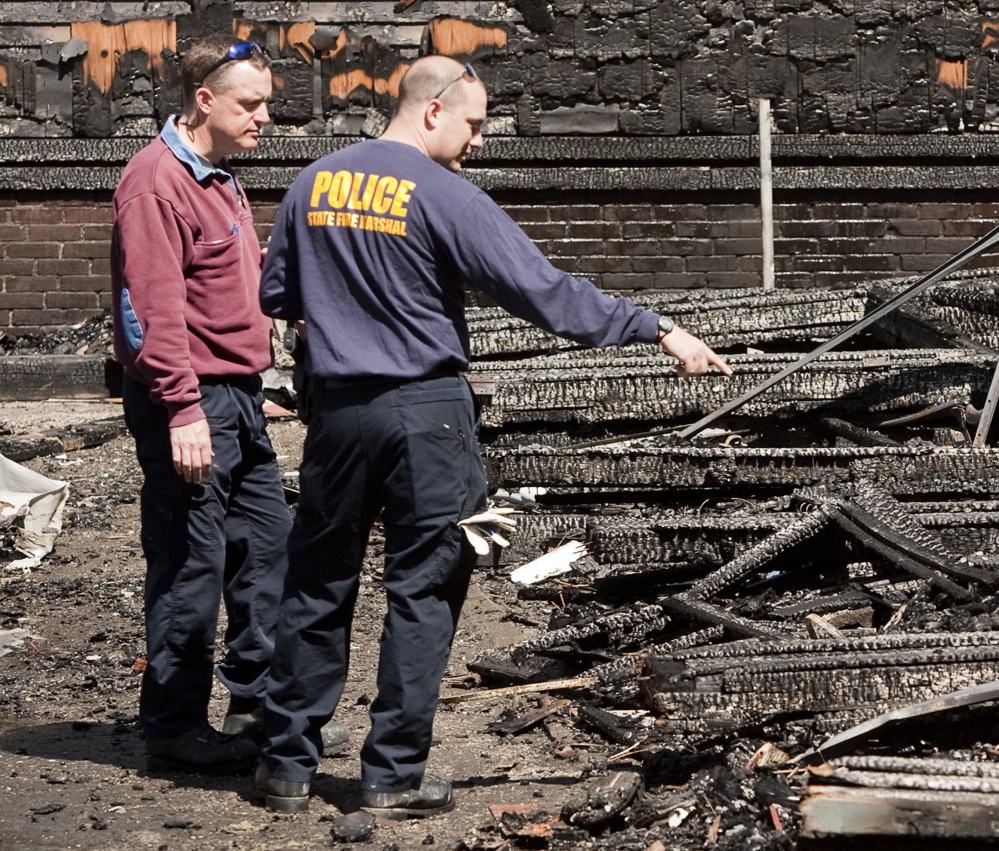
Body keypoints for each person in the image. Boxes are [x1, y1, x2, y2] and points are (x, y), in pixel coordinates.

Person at [254, 55, 732, 815]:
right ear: (433, 109)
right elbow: (545, 294)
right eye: (474, 123)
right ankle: (390, 775)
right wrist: (656, 327)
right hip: (428, 414)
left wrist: (339, 315)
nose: (480, 140)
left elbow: (275, 290)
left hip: (337, 414)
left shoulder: (314, 181)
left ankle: (284, 764)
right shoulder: (445, 194)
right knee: (425, 589)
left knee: (316, 581)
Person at [110, 34, 346, 774]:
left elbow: (236, 283)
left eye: (267, 102)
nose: (265, 117)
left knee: (267, 548)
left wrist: (263, 364)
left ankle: (258, 702)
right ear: (204, 100)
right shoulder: (155, 183)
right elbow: (149, 310)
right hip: (192, 402)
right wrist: (183, 406)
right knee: (190, 563)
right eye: (251, 104)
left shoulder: (219, 176)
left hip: (234, 397)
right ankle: (175, 726)